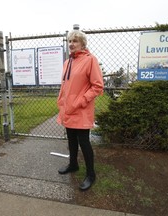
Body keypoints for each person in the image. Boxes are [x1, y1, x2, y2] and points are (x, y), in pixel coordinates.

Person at [56, 29, 104, 191]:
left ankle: (91, 174)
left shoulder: (90, 60)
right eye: (70, 41)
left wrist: (81, 101)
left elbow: (97, 86)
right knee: (71, 140)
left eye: (75, 41)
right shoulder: (67, 62)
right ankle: (73, 164)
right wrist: (61, 101)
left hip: (81, 110)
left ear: (83, 44)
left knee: (84, 142)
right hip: (68, 109)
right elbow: (66, 86)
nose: (71, 44)